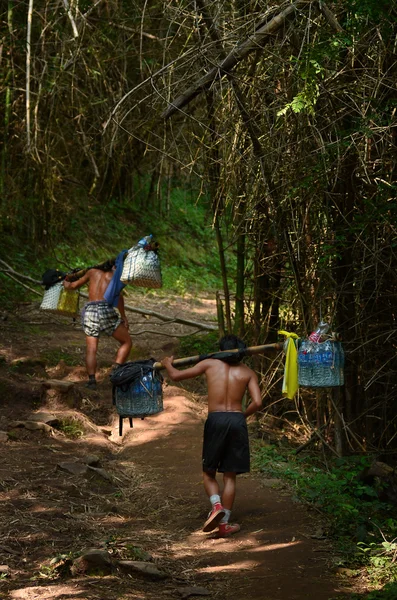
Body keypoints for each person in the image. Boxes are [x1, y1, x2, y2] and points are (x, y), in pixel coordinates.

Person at [162, 334, 262, 538]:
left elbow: (175, 376)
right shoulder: (248, 372)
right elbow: (258, 403)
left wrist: (167, 364)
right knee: (230, 475)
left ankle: (216, 506)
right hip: (237, 421)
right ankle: (224, 523)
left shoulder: (209, 364)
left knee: (209, 472)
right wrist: (242, 416)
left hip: (216, 420)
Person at [63, 258, 132, 389]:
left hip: (90, 311)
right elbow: (120, 298)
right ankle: (115, 371)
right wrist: (123, 316)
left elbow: (72, 286)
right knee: (127, 342)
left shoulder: (91, 272)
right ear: (114, 267)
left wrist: (66, 282)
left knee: (91, 348)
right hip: (105, 309)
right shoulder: (114, 277)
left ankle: (91, 381)